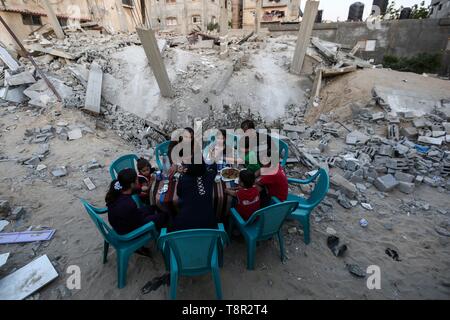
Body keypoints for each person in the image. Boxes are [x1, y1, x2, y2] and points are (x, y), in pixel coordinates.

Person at [105, 168, 165, 236]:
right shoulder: (129, 204)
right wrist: (151, 216)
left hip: (120, 221)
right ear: (131, 184)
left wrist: (142, 189)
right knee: (163, 216)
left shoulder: (116, 186)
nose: (138, 181)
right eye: (136, 179)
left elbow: (133, 190)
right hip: (127, 231)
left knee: (154, 207)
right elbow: (140, 221)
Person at [170, 162, 218, 231]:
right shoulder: (210, 175)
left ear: (187, 169)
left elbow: (179, 194)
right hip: (209, 228)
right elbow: (214, 167)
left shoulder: (183, 179)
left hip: (183, 228)